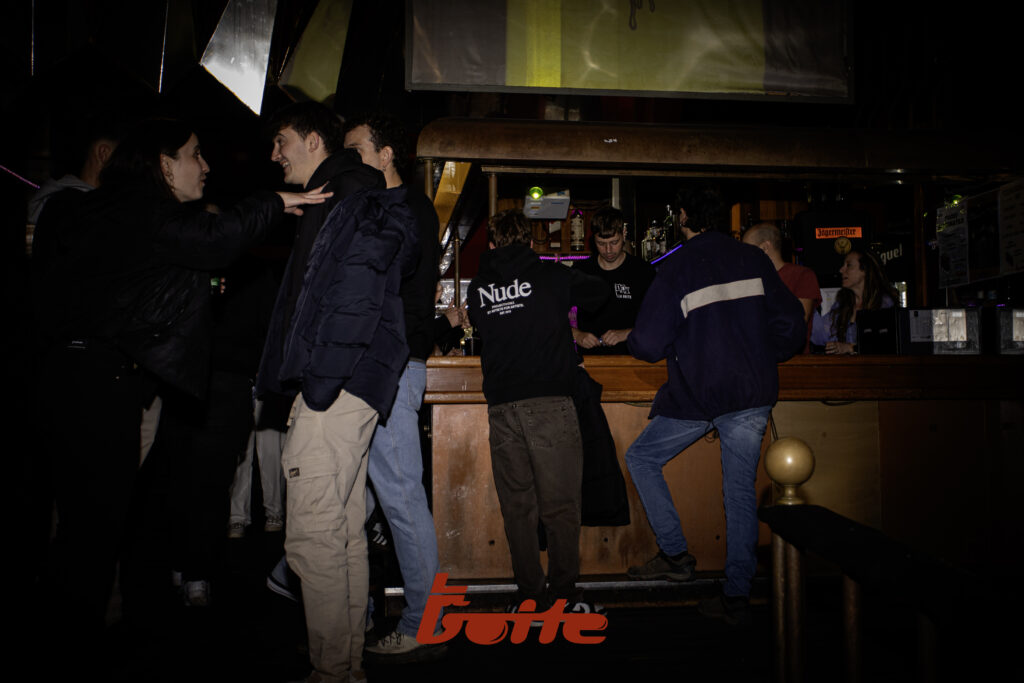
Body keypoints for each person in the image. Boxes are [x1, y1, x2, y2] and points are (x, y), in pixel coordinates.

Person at [34, 117, 328, 667]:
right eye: (196, 154)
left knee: (87, 522)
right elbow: (212, 241)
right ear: (164, 165)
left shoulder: (107, 210)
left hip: (83, 379)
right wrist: (273, 201)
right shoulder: (139, 209)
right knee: (93, 528)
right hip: (96, 386)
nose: (206, 166)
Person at [256, 101, 418, 683]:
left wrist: (320, 387)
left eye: (281, 141)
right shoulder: (346, 194)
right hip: (352, 387)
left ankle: (332, 672)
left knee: (313, 540)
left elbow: (358, 292)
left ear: (312, 141)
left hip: (338, 388)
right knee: (343, 537)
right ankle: (344, 668)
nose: (274, 154)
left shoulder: (350, 195)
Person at [624, 187, 805, 625]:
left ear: (684, 217)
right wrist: (761, 357)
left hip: (699, 395)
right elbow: (792, 327)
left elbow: (646, 343)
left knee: (641, 457)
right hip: (750, 394)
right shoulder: (753, 259)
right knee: (739, 493)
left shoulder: (677, 266)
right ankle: (736, 596)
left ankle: (675, 554)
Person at [467, 209, 608, 612]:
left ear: (491, 244)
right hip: (549, 403)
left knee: (518, 508)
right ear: (530, 243)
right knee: (561, 506)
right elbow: (599, 293)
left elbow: (483, 325)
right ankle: (564, 595)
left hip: (502, 409)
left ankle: (530, 596)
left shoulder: (479, 288)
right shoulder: (552, 276)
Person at [342, 113, 443, 657]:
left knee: (401, 497)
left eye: (356, 151)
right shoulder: (384, 206)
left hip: (395, 365)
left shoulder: (407, 209)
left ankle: (427, 622)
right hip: (384, 364)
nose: (348, 162)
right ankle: (337, 603)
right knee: (357, 495)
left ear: (386, 156)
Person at [572, 206, 654, 354]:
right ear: (593, 239)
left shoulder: (643, 272)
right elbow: (554, 313)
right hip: (591, 361)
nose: (608, 250)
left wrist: (626, 333)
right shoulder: (581, 271)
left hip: (632, 359)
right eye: (601, 244)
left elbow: (659, 320)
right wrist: (577, 335)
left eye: (614, 242)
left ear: (624, 233)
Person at [742, 222, 821, 353]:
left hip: (793, 359)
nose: (743, 257)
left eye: (747, 250)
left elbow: (799, 321)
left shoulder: (802, 275)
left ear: (765, 247)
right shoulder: (749, 280)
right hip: (758, 356)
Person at [810, 249, 896, 354]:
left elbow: (885, 345)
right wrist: (808, 304)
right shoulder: (842, 305)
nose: (841, 270)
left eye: (849, 265)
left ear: (865, 270)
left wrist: (851, 348)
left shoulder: (884, 303)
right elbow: (820, 335)